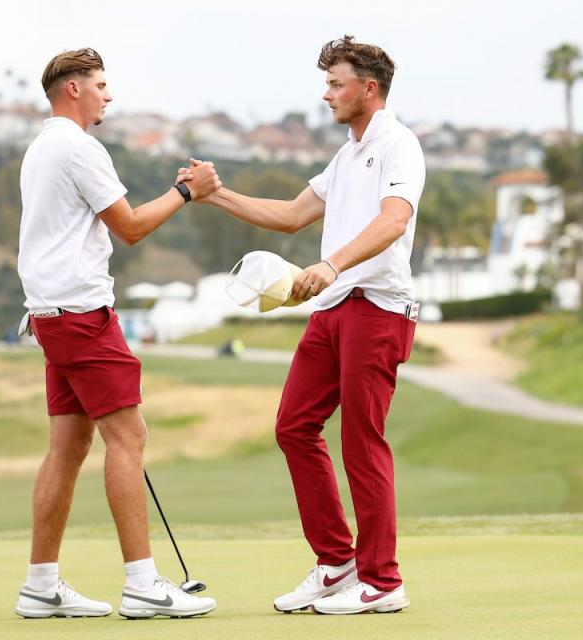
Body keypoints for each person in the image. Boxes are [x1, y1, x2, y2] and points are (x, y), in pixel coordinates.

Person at [180, 35, 424, 615]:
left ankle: (384, 583)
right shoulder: (345, 155)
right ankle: (337, 565)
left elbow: (394, 222)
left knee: (362, 443)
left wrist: (332, 262)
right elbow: (290, 216)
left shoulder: (399, 145)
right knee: (294, 427)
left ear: (369, 87)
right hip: (334, 309)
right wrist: (215, 196)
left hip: (378, 306)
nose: (327, 94)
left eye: (336, 83)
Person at [14, 47, 220, 620]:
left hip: (52, 314)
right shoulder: (80, 148)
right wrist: (186, 192)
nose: (108, 94)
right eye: (100, 85)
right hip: (82, 315)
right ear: (73, 89)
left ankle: (40, 585)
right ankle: (143, 585)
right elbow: (129, 227)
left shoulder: (41, 146)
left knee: (69, 446)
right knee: (127, 438)